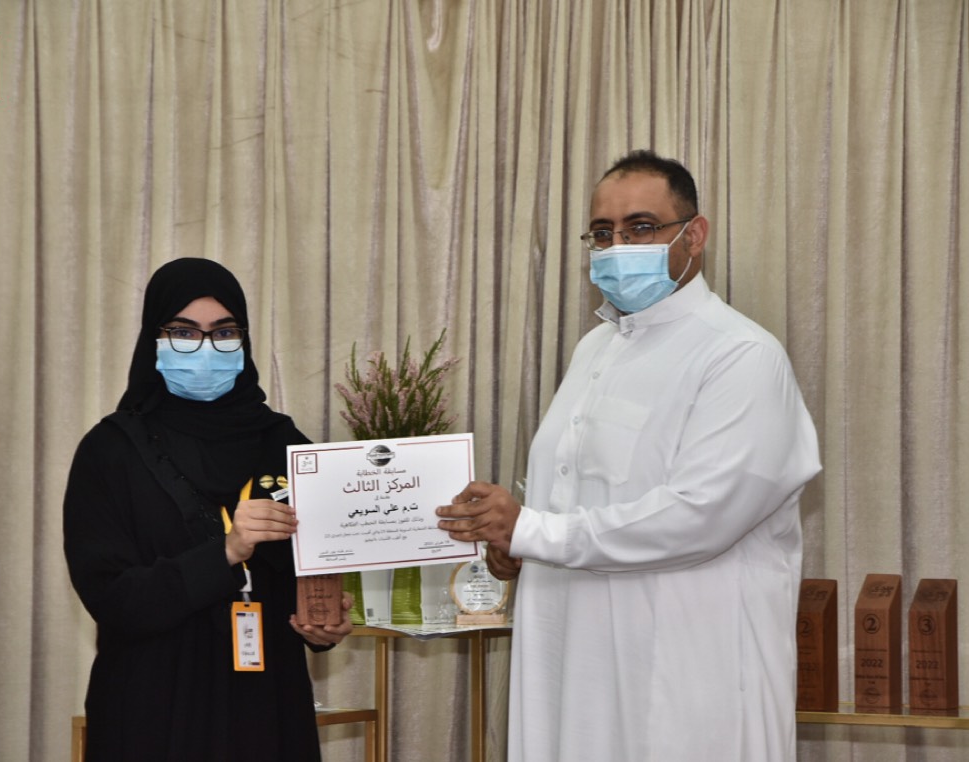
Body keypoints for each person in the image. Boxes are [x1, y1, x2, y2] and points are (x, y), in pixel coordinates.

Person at [437, 150, 821, 761]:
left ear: (694, 234)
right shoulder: (595, 348)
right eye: (602, 233)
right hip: (568, 665)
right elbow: (573, 501)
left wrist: (533, 529)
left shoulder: (740, 355)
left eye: (641, 227)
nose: (617, 247)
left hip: (684, 675)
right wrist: (516, 546)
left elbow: (700, 515)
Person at [64, 258, 352, 761]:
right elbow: (112, 598)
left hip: (264, 703)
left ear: (243, 339)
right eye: (182, 332)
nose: (204, 347)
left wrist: (321, 625)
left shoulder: (285, 444)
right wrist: (226, 551)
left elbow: (308, 574)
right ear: (153, 339)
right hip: (152, 703)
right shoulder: (110, 451)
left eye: (223, 332)